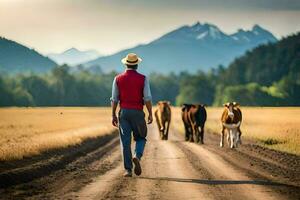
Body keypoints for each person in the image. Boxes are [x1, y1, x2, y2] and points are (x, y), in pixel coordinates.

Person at [110, 53, 153, 177]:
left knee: (125, 142)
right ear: (137, 65)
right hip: (138, 113)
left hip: (123, 113)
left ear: (126, 64)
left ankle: (128, 170)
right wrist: (150, 113)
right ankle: (137, 156)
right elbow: (147, 98)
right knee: (141, 138)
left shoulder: (117, 79)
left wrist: (113, 115)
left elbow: (114, 99)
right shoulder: (143, 78)